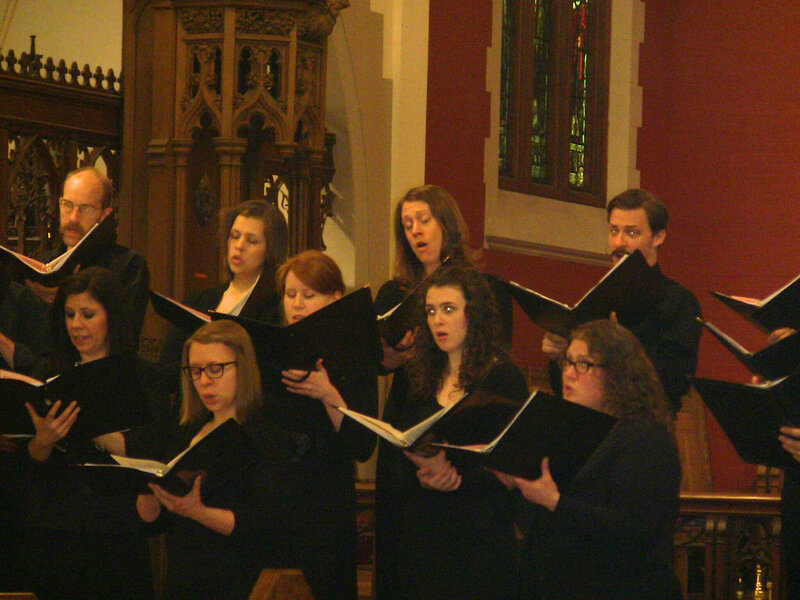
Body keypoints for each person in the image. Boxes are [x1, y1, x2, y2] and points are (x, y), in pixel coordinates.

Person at [374, 184, 513, 598]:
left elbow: (494, 353)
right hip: (413, 409)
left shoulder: (487, 289)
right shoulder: (395, 293)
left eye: (424, 220)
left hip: (465, 419)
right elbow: (375, 360)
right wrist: (392, 357)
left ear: (446, 224)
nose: (415, 230)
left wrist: (455, 470)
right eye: (407, 224)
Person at [16, 267, 164, 600]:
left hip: (117, 527)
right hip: (57, 525)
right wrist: (43, 441)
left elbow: (158, 445)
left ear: (111, 316)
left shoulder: (141, 375)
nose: (76, 325)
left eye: (88, 314)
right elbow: (32, 461)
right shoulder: (49, 373)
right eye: (69, 315)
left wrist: (107, 437)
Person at [509, 319, 681, 599]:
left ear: (618, 374)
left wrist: (554, 501)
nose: (569, 374)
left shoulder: (645, 438)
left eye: (584, 364)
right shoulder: (566, 432)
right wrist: (513, 481)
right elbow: (541, 527)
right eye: (568, 362)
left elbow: (635, 533)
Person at [390, 264, 529, 600]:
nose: (437, 320)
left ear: (474, 315)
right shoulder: (417, 378)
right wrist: (424, 473)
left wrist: (456, 477)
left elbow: (519, 462)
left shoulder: (502, 379)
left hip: (480, 535)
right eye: (431, 311)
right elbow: (397, 449)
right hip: (425, 532)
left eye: (449, 309)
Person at [134, 320, 292, 600]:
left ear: (242, 367)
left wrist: (198, 512)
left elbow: (266, 527)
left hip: (239, 581)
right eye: (195, 371)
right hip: (184, 581)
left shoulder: (265, 435)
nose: (204, 381)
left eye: (215, 369)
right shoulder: (187, 431)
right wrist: (145, 488)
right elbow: (155, 525)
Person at [264, 250, 378, 600]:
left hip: (326, 503)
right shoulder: (270, 347)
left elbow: (362, 446)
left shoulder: (357, 356)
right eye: (290, 294)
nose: (296, 304)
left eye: (309, 295)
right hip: (277, 499)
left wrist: (329, 394)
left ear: (336, 298)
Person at [541, 188, 701, 413]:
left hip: (644, 432)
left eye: (632, 233)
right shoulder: (597, 299)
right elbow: (566, 390)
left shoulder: (680, 302)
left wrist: (621, 347)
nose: (619, 242)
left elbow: (674, 382)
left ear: (658, 237)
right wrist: (559, 357)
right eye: (613, 231)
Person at [159, 199, 288, 371]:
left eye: (252, 241)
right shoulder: (200, 300)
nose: (239, 246)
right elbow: (167, 367)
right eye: (234, 236)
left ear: (270, 250)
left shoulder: (277, 307)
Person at [25, 166, 150, 341]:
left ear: (105, 214)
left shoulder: (129, 265)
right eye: (67, 205)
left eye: (86, 208)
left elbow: (124, 335)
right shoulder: (44, 264)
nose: (74, 218)